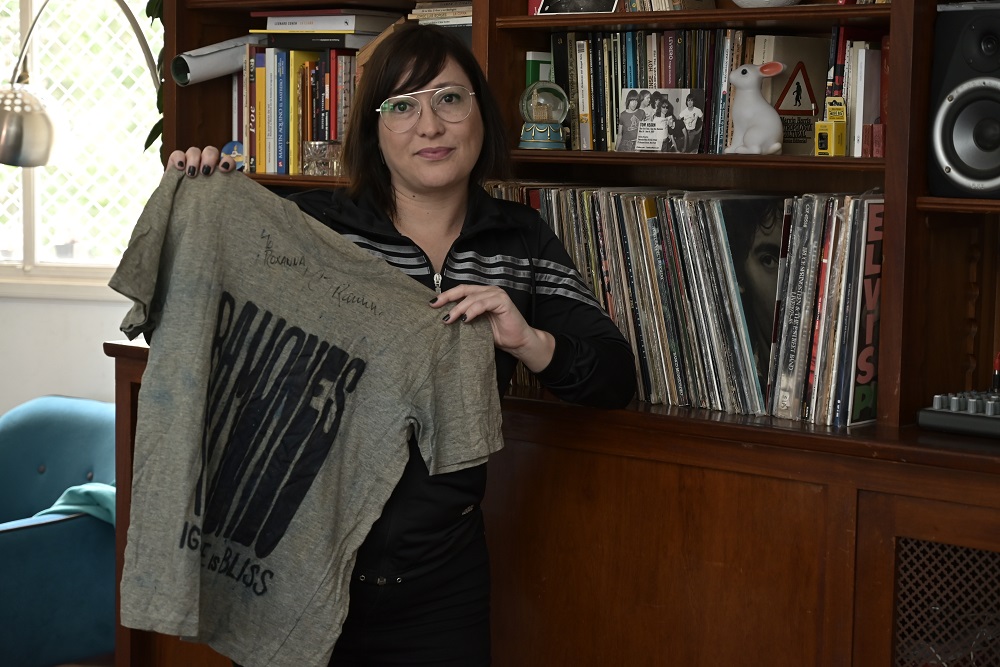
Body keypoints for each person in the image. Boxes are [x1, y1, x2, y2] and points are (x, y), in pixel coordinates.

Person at [169, 23, 636, 667]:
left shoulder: (518, 242)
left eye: (449, 98)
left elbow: (614, 379)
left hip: (443, 584)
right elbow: (204, 319)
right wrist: (200, 197)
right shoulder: (316, 234)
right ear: (374, 130)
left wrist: (526, 338)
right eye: (402, 105)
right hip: (302, 574)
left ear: (480, 111)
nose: (430, 125)